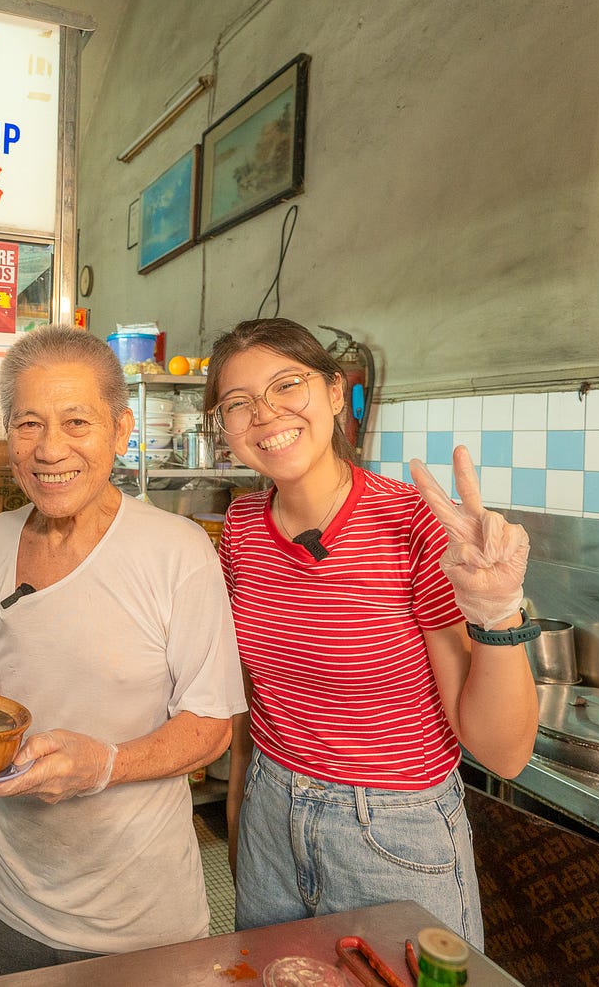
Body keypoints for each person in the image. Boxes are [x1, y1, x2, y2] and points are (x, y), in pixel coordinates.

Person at [203, 318, 537, 947]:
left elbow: (503, 752)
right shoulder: (242, 527)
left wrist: (497, 612)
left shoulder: (413, 522)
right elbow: (253, 699)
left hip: (392, 828)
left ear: (335, 393)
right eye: (237, 404)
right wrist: (242, 814)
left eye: (286, 386)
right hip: (270, 816)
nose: (266, 414)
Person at [0, 324, 245, 980]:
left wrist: (105, 764)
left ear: (121, 431)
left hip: (137, 926)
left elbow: (211, 728)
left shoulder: (177, 552)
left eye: (75, 421)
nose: (50, 448)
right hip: (5, 899)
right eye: (29, 423)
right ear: (9, 438)